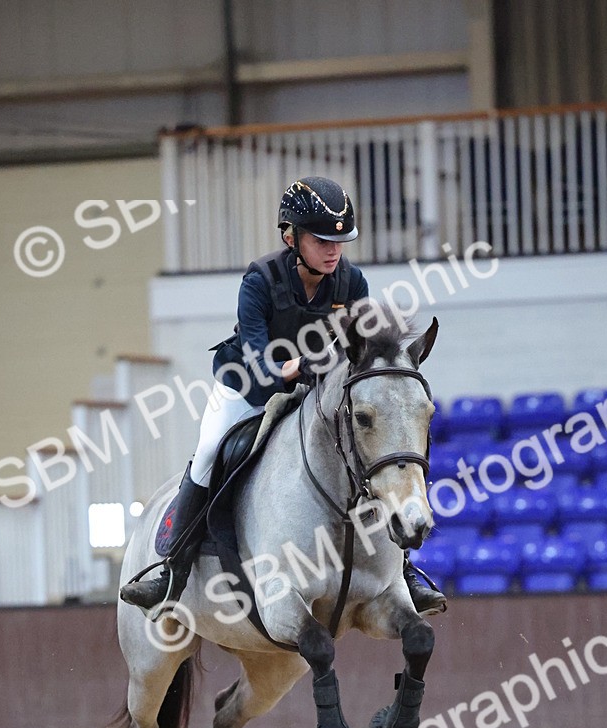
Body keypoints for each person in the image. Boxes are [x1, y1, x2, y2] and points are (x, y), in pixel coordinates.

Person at [120, 176, 447, 615]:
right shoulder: (260, 280)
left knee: (366, 456)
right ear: (291, 237)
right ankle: (171, 572)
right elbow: (256, 355)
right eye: (322, 240)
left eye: (340, 241)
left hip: (314, 395)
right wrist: (295, 367)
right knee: (209, 453)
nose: (334, 250)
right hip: (247, 388)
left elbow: (361, 353)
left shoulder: (352, 282)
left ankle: (401, 571)